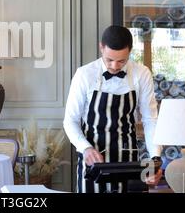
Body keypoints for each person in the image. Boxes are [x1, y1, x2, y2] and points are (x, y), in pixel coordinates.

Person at [63, 26, 162, 193]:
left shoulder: (141, 73)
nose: (115, 66)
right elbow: (70, 120)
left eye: (122, 61)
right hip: (92, 159)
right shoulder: (84, 74)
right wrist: (85, 148)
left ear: (130, 51)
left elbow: (150, 119)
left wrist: (155, 158)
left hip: (128, 160)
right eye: (109, 60)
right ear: (101, 47)